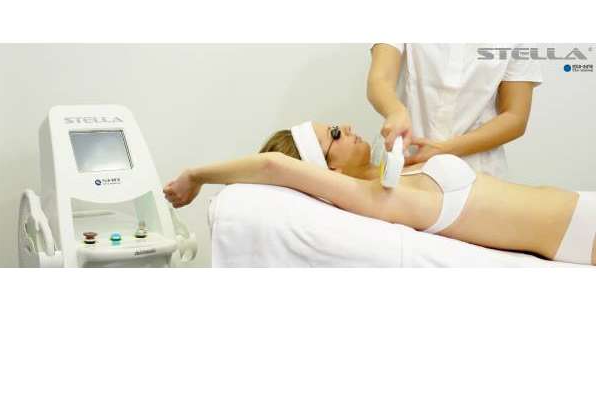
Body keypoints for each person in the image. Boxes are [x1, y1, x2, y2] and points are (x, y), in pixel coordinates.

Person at [164, 121, 595, 266]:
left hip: (581, 212)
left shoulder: (397, 172)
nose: (347, 128)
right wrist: (196, 176)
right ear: (328, 170)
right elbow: (273, 165)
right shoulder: (377, 197)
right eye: (335, 135)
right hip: (579, 236)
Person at [367, 44, 543, 177]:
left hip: (476, 172)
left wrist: (444, 149)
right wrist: (395, 111)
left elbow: (515, 117)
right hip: (401, 162)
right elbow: (380, 80)